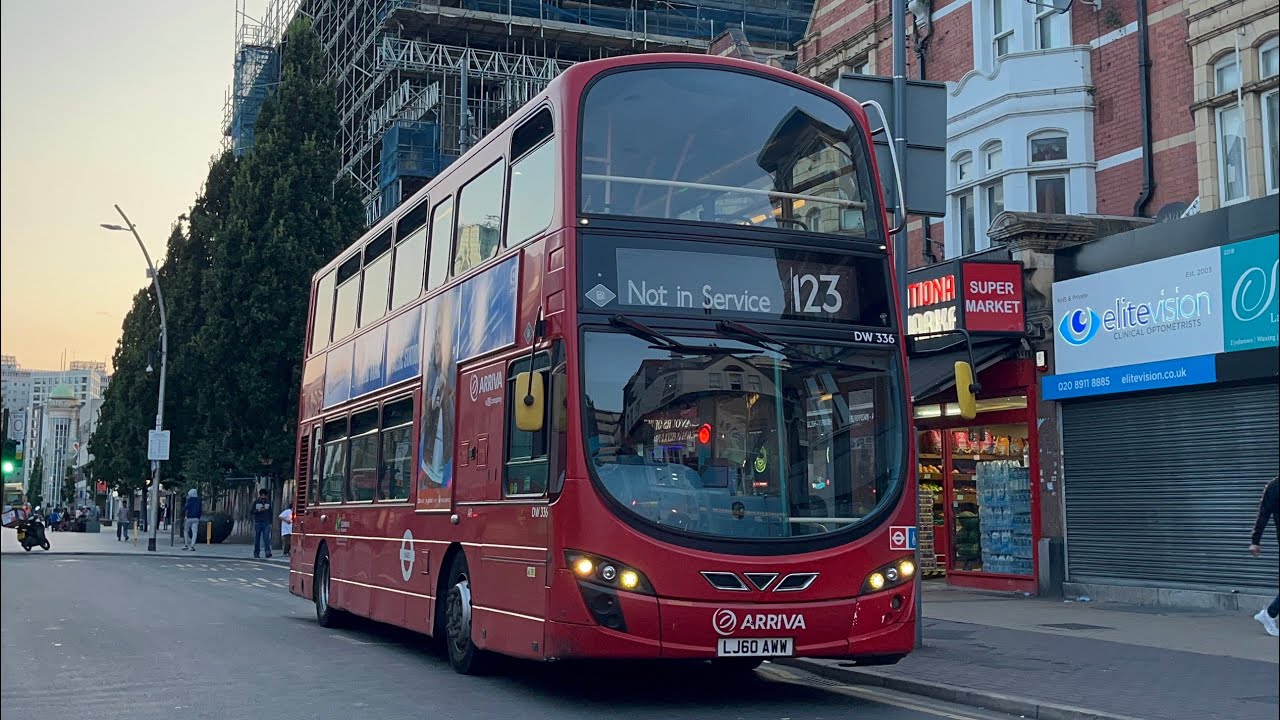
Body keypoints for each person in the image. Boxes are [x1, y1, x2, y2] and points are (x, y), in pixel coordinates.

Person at [1249, 476, 1279, 637]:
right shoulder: (1274, 487)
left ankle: (1269, 614)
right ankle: (1269, 614)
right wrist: (1255, 541)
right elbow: (1263, 515)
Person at [251, 489, 273, 559]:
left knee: (266, 538)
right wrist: (258, 510)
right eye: (262, 495)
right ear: (260, 495)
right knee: (257, 538)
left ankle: (268, 552)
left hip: (266, 522)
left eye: (264, 495)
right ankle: (256, 553)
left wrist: (270, 522)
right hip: (258, 522)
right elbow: (252, 512)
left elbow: (270, 512)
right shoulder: (256, 502)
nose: (263, 496)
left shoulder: (268, 502)